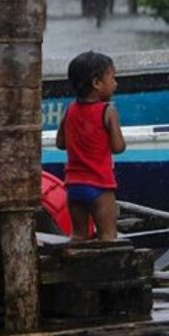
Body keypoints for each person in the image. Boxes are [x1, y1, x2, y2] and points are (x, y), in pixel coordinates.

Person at [55, 51, 127, 241]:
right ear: (96, 83)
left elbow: (60, 144)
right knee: (108, 236)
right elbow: (119, 147)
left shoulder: (69, 109)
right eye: (112, 77)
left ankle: (79, 267)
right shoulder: (107, 110)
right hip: (100, 186)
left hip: (74, 186)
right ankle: (107, 269)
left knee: (78, 236)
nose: (116, 83)